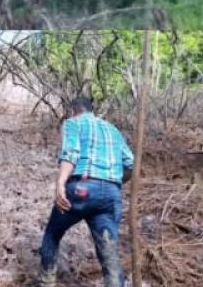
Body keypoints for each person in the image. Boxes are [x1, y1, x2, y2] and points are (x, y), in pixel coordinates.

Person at [39, 97, 134, 287]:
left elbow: (71, 152)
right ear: (92, 110)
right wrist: (112, 183)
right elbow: (130, 162)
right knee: (108, 249)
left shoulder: (73, 123)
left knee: (52, 234)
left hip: (81, 188)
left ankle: (47, 282)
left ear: (74, 110)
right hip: (110, 195)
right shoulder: (112, 129)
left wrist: (60, 183)